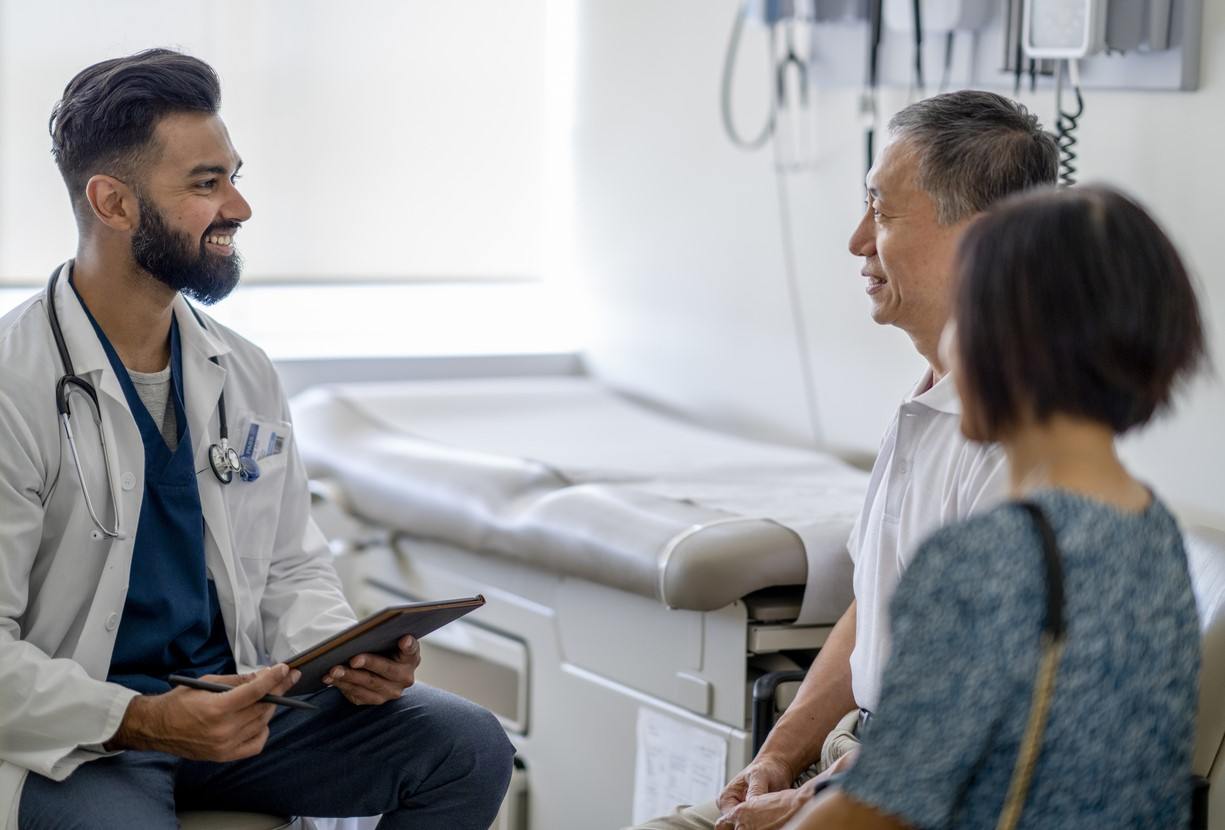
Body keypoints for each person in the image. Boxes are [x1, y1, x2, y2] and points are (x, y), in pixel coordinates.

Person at [0, 49, 514, 829]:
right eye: (206, 184)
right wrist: (143, 719)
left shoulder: (239, 368)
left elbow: (287, 566)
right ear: (113, 202)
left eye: (234, 176)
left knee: (466, 745)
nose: (238, 206)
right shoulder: (15, 385)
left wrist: (343, 654)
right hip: (85, 735)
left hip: (239, 711)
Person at [635, 91, 1059, 830]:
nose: (858, 240)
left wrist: (804, 804)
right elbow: (875, 610)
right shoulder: (930, 403)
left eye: (883, 212)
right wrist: (775, 756)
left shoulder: (1024, 440)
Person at [785, 185, 1205, 828]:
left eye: (965, 321)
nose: (950, 350)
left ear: (1015, 342)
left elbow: (874, 812)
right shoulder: (1154, 531)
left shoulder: (985, 560)